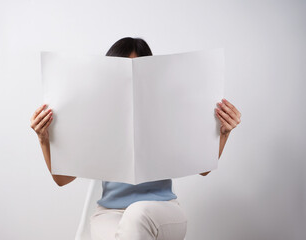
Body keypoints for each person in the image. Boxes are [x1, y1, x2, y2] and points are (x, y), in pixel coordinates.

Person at [30, 37, 242, 240]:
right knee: (130, 225)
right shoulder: (96, 116)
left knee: (137, 214)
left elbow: (203, 169)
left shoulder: (167, 112)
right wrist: (43, 139)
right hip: (109, 213)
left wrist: (223, 133)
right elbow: (62, 179)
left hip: (164, 209)